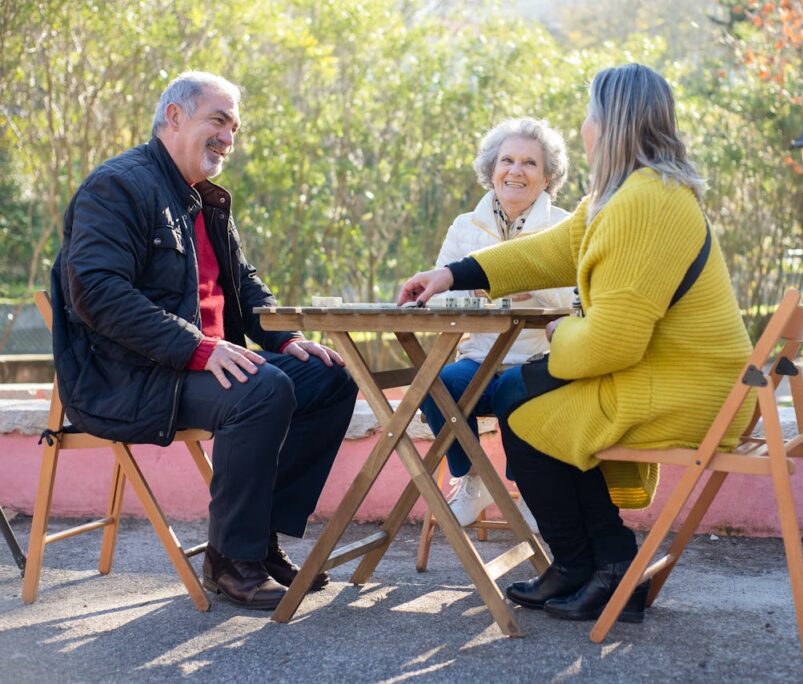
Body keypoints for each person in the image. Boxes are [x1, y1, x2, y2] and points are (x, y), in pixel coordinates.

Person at [398, 64, 755, 623]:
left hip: (693, 392)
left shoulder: (647, 202)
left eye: (590, 115)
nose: (584, 126)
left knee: (522, 404)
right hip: (675, 379)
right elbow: (547, 252)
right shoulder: (623, 195)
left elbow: (612, 342)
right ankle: (583, 566)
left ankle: (607, 568)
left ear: (612, 124)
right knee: (521, 397)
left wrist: (561, 331)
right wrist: (450, 274)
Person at [51, 72, 358, 610]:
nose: (227, 138)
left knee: (330, 376)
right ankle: (229, 559)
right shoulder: (118, 186)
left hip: (202, 363)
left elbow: (242, 282)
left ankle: (258, 540)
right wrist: (200, 348)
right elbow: (96, 293)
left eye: (233, 128)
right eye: (217, 121)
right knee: (261, 391)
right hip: (132, 376)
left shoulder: (204, 200)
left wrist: (285, 339)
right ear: (174, 117)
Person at [419, 118, 573, 532]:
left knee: (513, 390)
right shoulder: (463, 227)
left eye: (529, 163)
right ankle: (472, 479)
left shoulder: (566, 226)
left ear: (547, 177)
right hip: (478, 357)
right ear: (491, 169)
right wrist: (474, 291)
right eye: (507, 160)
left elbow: (581, 301)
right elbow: (438, 294)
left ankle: (533, 488)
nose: (516, 171)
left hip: (540, 359)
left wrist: (532, 284)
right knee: (435, 385)